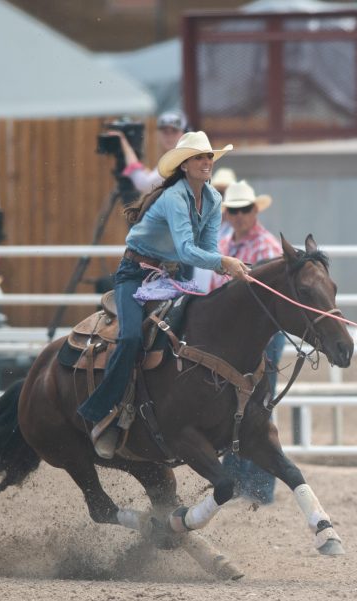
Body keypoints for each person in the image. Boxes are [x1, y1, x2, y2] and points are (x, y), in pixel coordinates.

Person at [77, 131, 251, 458]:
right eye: (200, 157)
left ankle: (165, 411)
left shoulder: (212, 199)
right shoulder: (175, 198)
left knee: (191, 334)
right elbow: (188, 249)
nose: (206, 162)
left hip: (169, 275)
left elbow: (209, 250)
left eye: (209, 157)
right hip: (134, 272)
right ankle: (101, 410)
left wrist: (227, 266)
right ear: (184, 166)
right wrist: (223, 262)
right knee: (129, 338)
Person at [209, 180, 284, 504]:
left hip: (261, 333)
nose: (239, 216)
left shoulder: (266, 248)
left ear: (254, 211)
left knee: (257, 406)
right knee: (239, 406)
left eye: (244, 210)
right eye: (234, 210)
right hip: (235, 334)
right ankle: (243, 483)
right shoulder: (226, 240)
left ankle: (257, 487)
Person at [113, 110, 191, 194]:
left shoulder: (178, 161)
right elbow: (155, 179)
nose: (169, 136)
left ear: (184, 134)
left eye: (174, 131)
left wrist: (125, 145)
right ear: (158, 134)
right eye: (165, 132)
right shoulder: (177, 157)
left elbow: (144, 184)